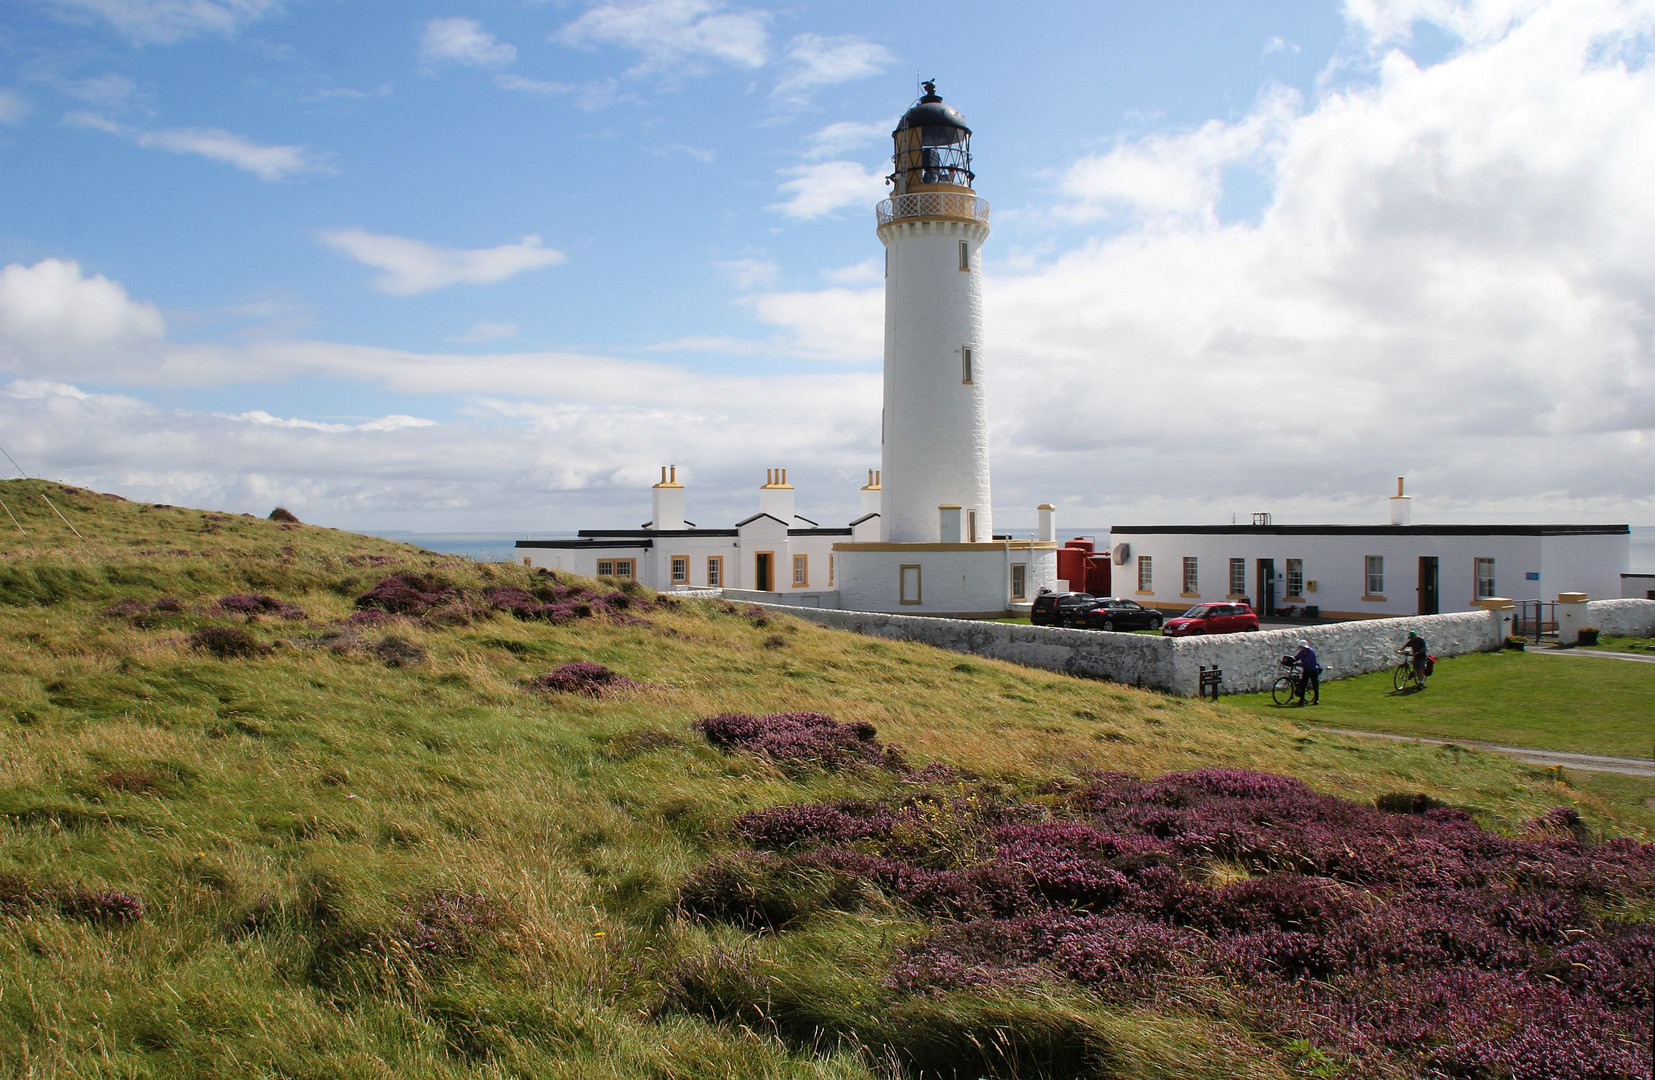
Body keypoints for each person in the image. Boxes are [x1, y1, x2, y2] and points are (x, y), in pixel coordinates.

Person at [1292, 638, 1321, 704]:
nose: (1301, 648)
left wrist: (1299, 664)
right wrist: (1291, 660)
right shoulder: (1302, 652)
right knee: (1303, 685)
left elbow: (1307, 662)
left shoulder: (1311, 652)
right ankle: (1301, 700)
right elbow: (1297, 657)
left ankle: (1316, 699)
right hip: (1306, 670)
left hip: (1313, 670)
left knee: (1315, 685)